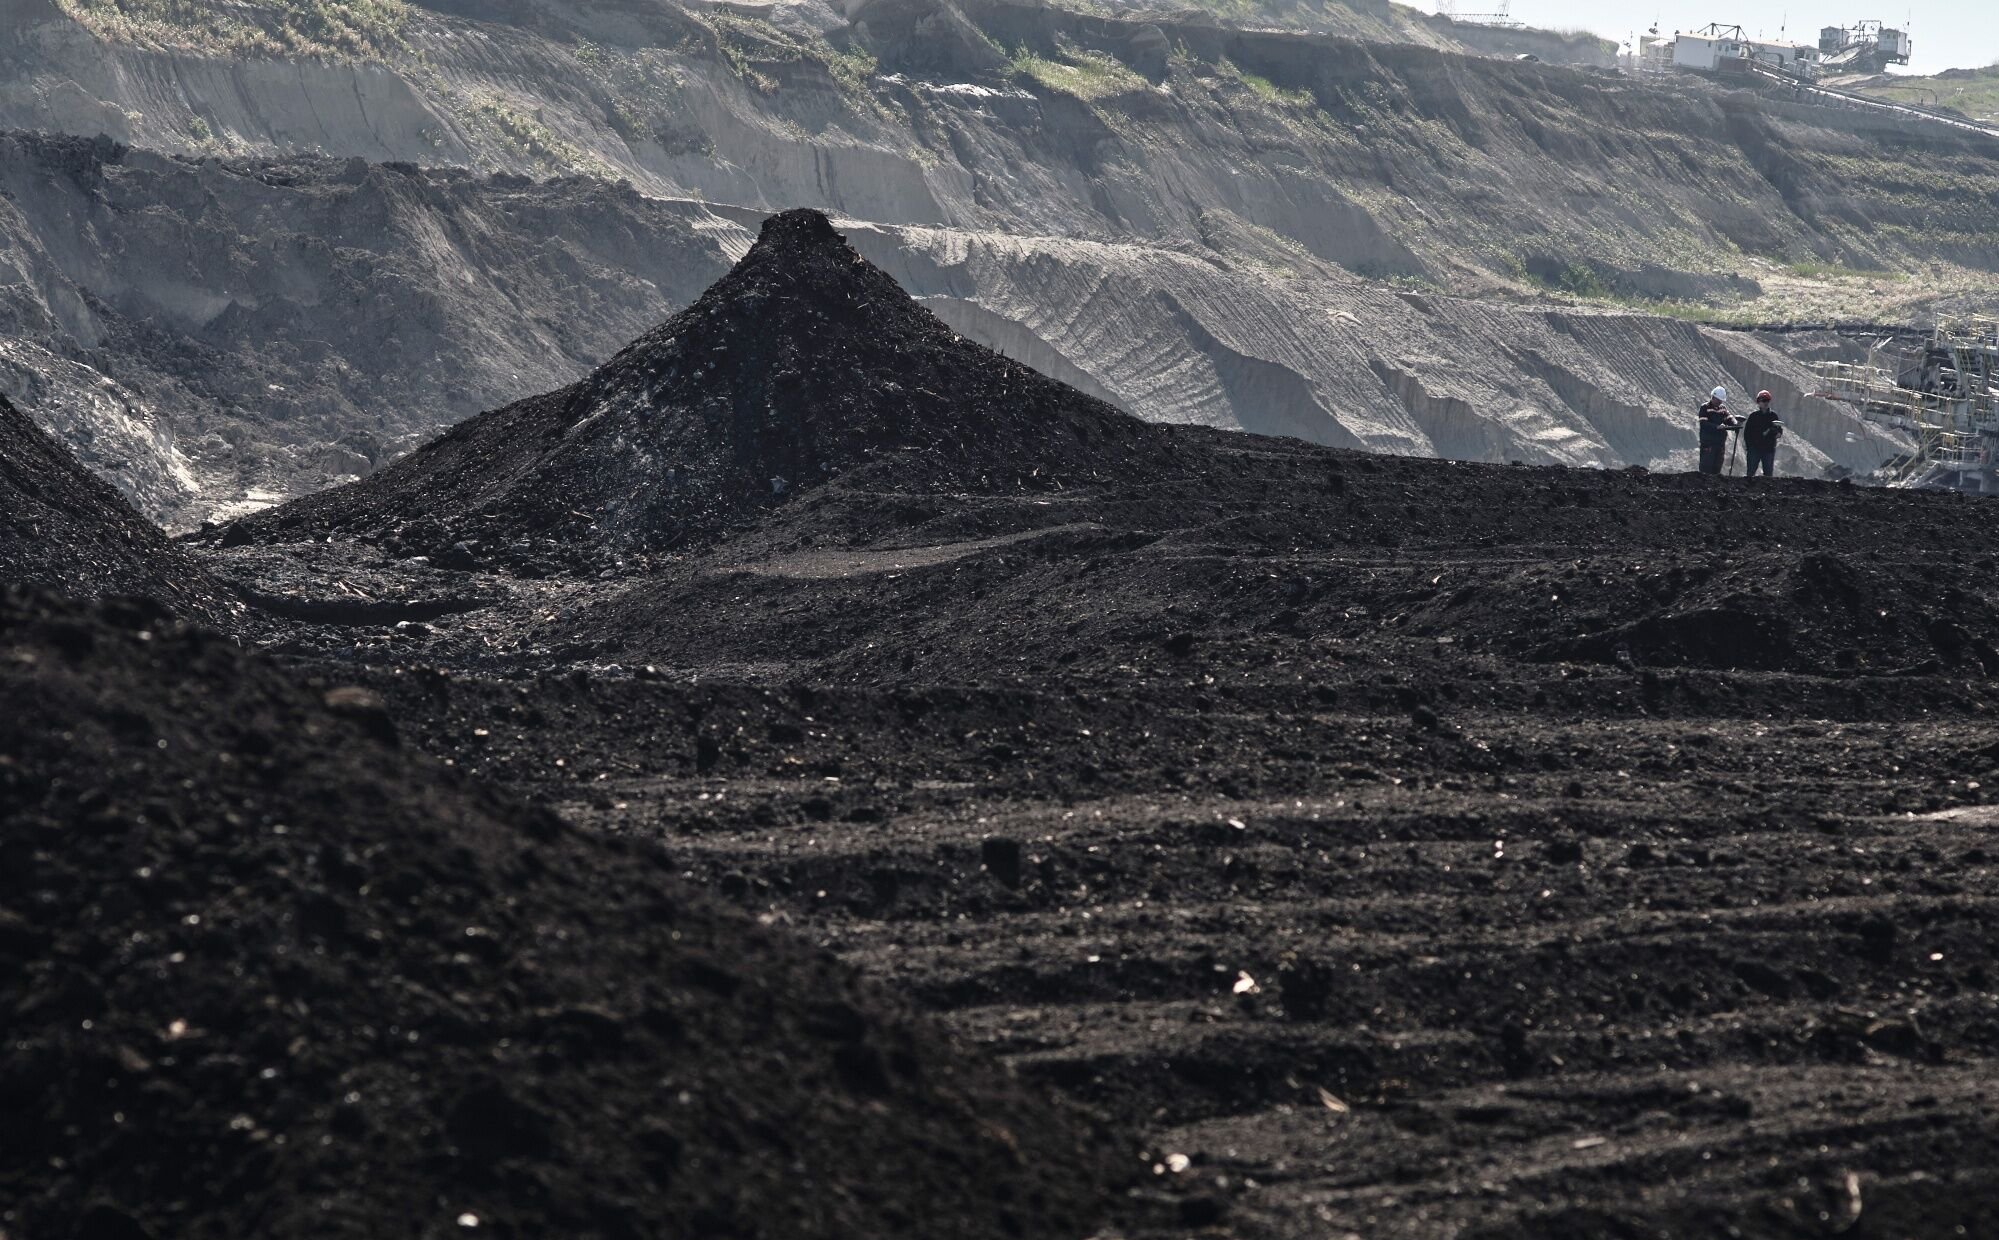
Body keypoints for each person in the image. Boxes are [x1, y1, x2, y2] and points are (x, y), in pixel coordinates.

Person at [1696, 386, 1740, 475]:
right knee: (1706, 470)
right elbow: (1704, 423)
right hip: (1708, 444)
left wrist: (1735, 424)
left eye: (1721, 400)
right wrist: (1716, 427)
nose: (1720, 402)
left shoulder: (1722, 408)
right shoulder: (1705, 407)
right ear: (1713, 397)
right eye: (1718, 400)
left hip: (1720, 444)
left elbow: (1729, 418)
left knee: (1716, 469)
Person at [1742, 390, 1783, 477]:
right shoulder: (1753, 416)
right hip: (1754, 449)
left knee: (1768, 475)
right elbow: (1747, 433)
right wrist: (1749, 447)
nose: (1766, 403)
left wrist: (1778, 433)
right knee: (1750, 473)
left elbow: (1779, 429)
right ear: (1759, 402)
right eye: (1763, 400)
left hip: (1768, 449)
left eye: (1767, 400)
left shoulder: (1773, 416)